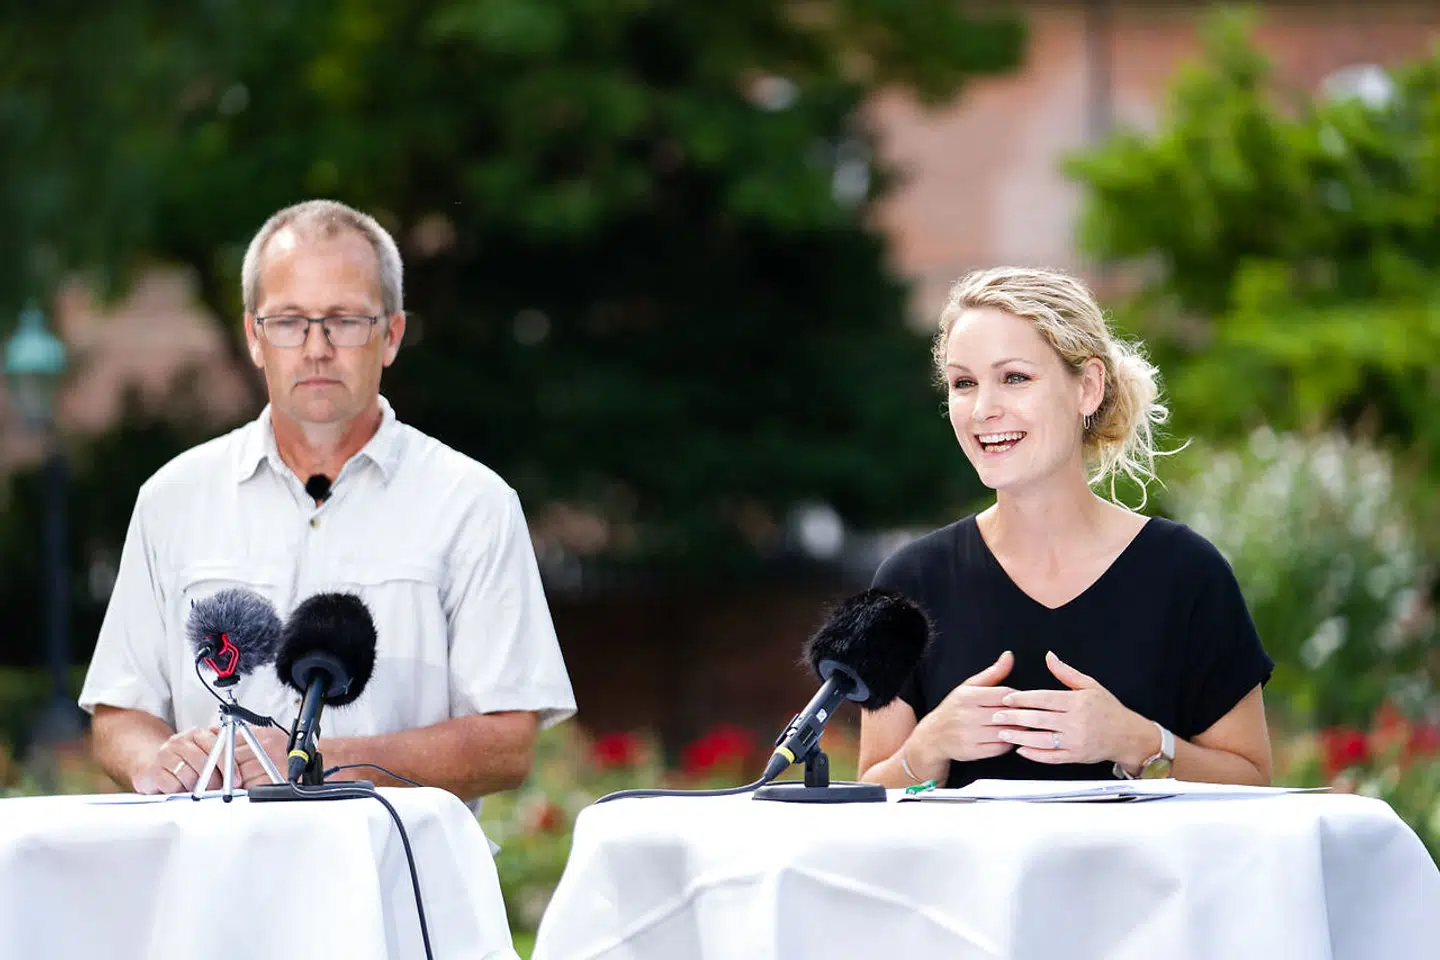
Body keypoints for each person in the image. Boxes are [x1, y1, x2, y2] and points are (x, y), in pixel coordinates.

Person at [80, 199, 576, 807]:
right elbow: (117, 714)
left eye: (344, 321)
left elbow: (507, 745)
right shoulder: (172, 501)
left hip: (397, 888)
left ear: (390, 335)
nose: (316, 348)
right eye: (288, 322)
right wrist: (156, 759)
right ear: (254, 338)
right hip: (217, 885)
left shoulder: (473, 504)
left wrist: (318, 761)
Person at [857, 266, 1273, 789]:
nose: (984, 409)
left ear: (1089, 388)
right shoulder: (910, 582)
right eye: (964, 383)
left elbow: (1254, 783)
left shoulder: (1186, 573)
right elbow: (868, 798)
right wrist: (928, 748)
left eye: (1014, 377)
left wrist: (1139, 742)